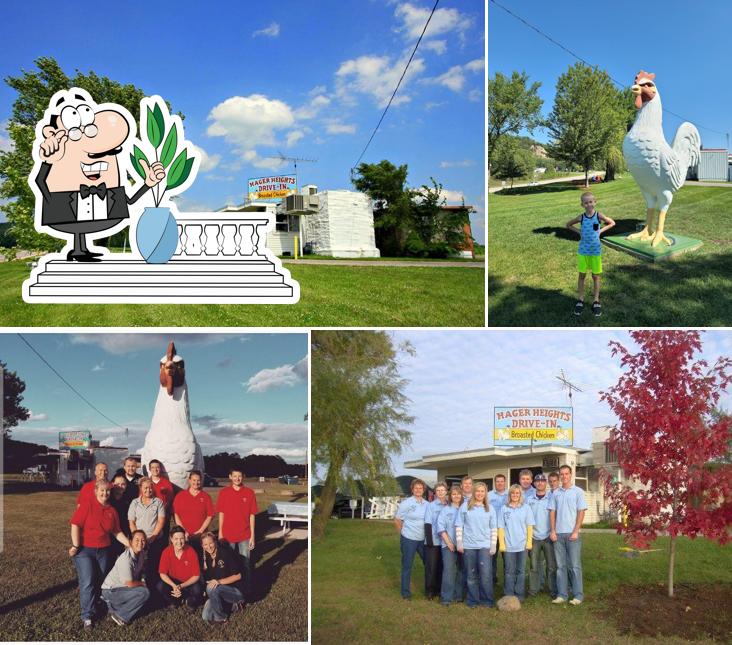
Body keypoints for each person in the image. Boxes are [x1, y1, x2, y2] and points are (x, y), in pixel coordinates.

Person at [69, 480, 131, 629]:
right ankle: (87, 616)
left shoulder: (112, 510)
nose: (105, 494)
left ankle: (98, 605)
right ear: (96, 491)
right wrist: (75, 545)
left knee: (102, 581)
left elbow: (116, 531)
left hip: (104, 550)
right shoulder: (87, 505)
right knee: (88, 581)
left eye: (108, 491)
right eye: (102, 491)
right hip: (85, 550)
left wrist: (130, 544)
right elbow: (75, 524)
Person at [566, 191, 616, 317]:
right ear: (582, 204)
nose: (589, 205)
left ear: (595, 202)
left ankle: (596, 301)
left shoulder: (598, 215)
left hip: (595, 252)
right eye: (586, 203)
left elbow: (612, 223)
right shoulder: (581, 217)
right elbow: (568, 225)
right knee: (582, 275)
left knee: (596, 277)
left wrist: (600, 230)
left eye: (591, 202)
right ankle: (581, 299)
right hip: (583, 251)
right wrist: (579, 232)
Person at [549, 464, 587, 605]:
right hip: (558, 535)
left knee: (575, 566)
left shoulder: (578, 492)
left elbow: (581, 512)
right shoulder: (556, 493)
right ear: (560, 476)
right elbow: (552, 512)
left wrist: (576, 531)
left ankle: (578, 595)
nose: (564, 476)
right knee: (561, 567)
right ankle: (562, 595)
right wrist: (552, 531)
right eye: (562, 474)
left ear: (571, 475)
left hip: (573, 535)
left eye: (566, 474)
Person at [216, 468, 258, 594]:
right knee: (229, 565)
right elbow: (221, 514)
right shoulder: (224, 492)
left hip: (244, 535)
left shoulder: (249, 493)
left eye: (239, 476)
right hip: (228, 536)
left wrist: (252, 536)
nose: (237, 478)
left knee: (245, 563)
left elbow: (252, 515)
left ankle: (247, 590)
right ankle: (230, 590)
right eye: (234, 476)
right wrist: (220, 533)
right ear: (230, 477)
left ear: (243, 477)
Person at [455, 482, 497, 608]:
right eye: (477, 491)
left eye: (482, 491)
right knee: (471, 574)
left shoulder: (490, 508)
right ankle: (473, 600)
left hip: (485, 546)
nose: (480, 493)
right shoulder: (465, 506)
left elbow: (493, 528)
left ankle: (487, 600)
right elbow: (459, 525)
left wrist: (493, 544)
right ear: (474, 492)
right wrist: (459, 542)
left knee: (485, 575)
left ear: (485, 493)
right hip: (469, 546)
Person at [101, 529, 150, 626]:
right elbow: (129, 583)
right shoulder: (126, 559)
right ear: (130, 542)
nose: (140, 543)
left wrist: (143, 579)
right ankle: (120, 615)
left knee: (143, 591)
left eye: (143, 540)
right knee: (144, 592)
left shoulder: (141, 554)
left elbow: (142, 570)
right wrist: (143, 583)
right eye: (137, 540)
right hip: (111, 591)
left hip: (121, 588)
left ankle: (111, 606)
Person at [127, 477, 166, 591]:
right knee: (138, 567)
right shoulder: (134, 503)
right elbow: (132, 522)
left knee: (153, 566)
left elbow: (161, 521)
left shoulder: (158, 502)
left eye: (150, 487)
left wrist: (153, 537)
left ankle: (153, 589)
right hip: (139, 542)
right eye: (145, 488)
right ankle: (138, 589)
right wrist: (137, 539)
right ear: (140, 488)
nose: (148, 490)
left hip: (155, 540)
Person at [497, 484, 534, 602]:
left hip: (522, 546)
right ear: (510, 495)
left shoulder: (526, 508)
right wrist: (502, 544)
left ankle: (519, 594)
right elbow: (501, 528)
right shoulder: (504, 509)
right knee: (509, 571)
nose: (515, 495)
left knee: (521, 571)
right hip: (508, 546)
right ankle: (509, 594)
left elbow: (529, 526)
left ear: (520, 495)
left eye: (517, 493)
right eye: (513, 493)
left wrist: (529, 542)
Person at [394, 478, 428, 600]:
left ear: (423, 490)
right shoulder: (406, 503)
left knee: (429, 564)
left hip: (423, 540)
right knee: (407, 566)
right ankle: (405, 593)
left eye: (420, 488)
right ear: (412, 490)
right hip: (409, 539)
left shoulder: (427, 504)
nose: (418, 490)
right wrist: (403, 534)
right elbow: (398, 520)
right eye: (416, 488)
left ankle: (429, 590)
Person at [201, 532, 245, 623]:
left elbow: (238, 576)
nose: (208, 546)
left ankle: (222, 618)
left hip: (235, 591)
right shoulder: (208, 557)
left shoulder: (225, 553)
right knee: (206, 616)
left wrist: (218, 582)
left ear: (215, 542)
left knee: (211, 589)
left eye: (211, 543)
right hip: (220, 592)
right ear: (202, 546)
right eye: (205, 544)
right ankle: (234, 606)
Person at [156, 525, 204, 608]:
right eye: (176, 539)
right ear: (171, 539)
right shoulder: (166, 552)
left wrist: (181, 586)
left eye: (181, 538)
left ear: (185, 538)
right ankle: (174, 601)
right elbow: (162, 573)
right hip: (174, 584)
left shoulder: (191, 551)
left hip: (188, 583)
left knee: (197, 589)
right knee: (160, 586)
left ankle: (189, 601)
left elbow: (196, 575)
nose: (179, 542)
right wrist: (174, 585)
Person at [527, 473, 557, 599]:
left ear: (546, 483)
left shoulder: (552, 497)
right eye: (537, 481)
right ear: (534, 483)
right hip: (534, 537)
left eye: (543, 481)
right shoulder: (529, 499)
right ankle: (534, 589)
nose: (540, 483)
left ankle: (552, 589)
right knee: (534, 565)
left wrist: (553, 531)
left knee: (551, 566)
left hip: (548, 536)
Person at [173, 470, 215, 558]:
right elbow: (176, 514)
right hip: (185, 536)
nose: (196, 482)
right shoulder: (181, 495)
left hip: (201, 536)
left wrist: (200, 531)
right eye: (194, 480)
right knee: (185, 559)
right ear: (189, 480)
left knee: (201, 559)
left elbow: (210, 515)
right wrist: (183, 531)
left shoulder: (206, 496)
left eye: (198, 480)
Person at [437, 484, 464, 606]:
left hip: (464, 545)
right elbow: (441, 528)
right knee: (448, 570)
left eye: (458, 494)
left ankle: (458, 595)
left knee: (461, 570)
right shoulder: (445, 510)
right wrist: (449, 543)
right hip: (449, 545)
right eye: (454, 494)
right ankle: (446, 597)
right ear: (450, 496)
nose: (456, 496)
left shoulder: (465, 508)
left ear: (461, 495)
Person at [423, 481, 448, 600]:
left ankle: (439, 589)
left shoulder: (449, 504)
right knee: (431, 567)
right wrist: (429, 541)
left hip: (446, 542)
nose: (440, 492)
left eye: (442, 490)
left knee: (442, 567)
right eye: (438, 490)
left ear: (446, 491)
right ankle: (430, 590)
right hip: (433, 541)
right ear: (435, 492)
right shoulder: (431, 506)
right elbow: (427, 524)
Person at [488, 474, 508, 587]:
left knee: (507, 557)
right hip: (493, 531)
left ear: (505, 482)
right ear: (495, 483)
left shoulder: (510, 494)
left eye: (502, 481)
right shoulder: (488, 495)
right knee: (492, 556)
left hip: (506, 531)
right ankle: (492, 579)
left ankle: (508, 579)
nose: (500, 483)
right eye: (498, 481)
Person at [115, 457, 142, 521]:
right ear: (124, 467)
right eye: (128, 466)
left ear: (136, 467)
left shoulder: (141, 479)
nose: (131, 468)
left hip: (136, 512)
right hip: (120, 511)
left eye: (133, 466)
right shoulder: (118, 478)